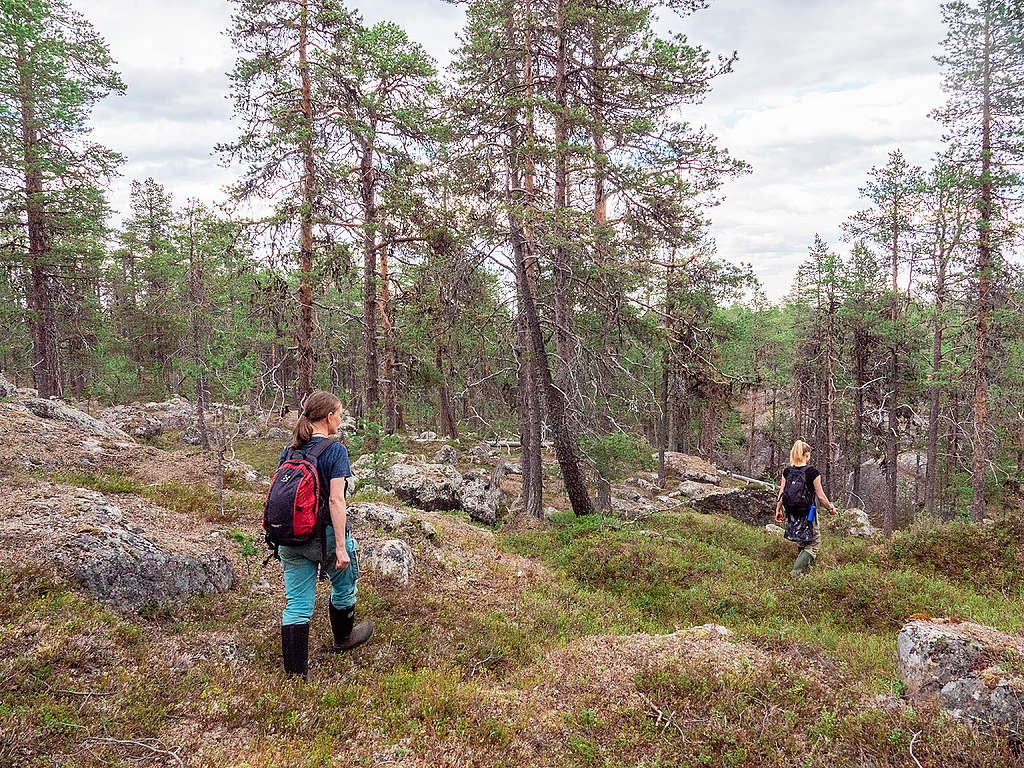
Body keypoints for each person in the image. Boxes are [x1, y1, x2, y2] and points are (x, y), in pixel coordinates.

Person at [276, 390, 373, 678]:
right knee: (344, 588)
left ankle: (295, 676)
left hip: (292, 538)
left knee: (297, 604)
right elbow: (336, 500)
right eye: (339, 415)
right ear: (329, 417)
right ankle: (343, 638)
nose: (340, 420)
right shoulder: (335, 450)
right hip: (328, 536)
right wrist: (342, 547)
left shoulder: (290, 449)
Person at [774, 439, 838, 577]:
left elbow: (782, 491)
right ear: (806, 454)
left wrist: (778, 510)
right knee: (814, 543)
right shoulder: (812, 472)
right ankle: (795, 573)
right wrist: (830, 508)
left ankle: (805, 571)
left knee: (803, 540)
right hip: (807, 512)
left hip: (791, 511)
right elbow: (820, 496)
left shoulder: (787, 471)